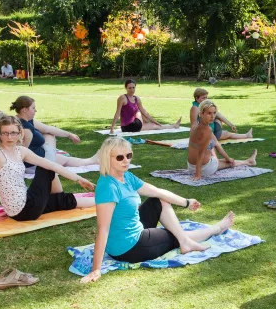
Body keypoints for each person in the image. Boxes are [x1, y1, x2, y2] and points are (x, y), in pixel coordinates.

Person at [79, 136, 236, 283]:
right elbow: (103, 229)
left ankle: (184, 241)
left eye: (129, 155)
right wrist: (96, 269)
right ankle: (215, 229)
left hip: (135, 230)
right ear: (108, 159)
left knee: (158, 201)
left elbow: (157, 192)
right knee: (173, 235)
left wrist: (186, 202)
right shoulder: (108, 187)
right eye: (120, 157)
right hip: (127, 248)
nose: (126, 160)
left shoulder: (126, 176)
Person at [0, 116, 95, 225]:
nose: (9, 137)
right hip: (24, 209)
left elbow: (54, 166)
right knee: (46, 167)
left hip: (25, 205)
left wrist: (79, 179)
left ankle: (105, 200)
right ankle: (61, 197)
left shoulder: (21, 151)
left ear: (20, 133)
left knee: (62, 201)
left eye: (13, 133)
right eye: (5, 133)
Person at [11, 96, 99, 168]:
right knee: (65, 159)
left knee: (49, 133)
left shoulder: (20, 120)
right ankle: (91, 161)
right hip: (35, 164)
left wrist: (69, 135)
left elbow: (48, 128)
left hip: (39, 157)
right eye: (33, 108)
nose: (35, 110)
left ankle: (90, 160)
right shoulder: (26, 129)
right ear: (24, 110)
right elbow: (22, 153)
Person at [188, 100, 257, 180]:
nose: (212, 116)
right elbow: (201, 153)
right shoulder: (207, 130)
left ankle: (246, 161)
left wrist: (227, 158)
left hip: (191, 167)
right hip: (203, 169)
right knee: (227, 162)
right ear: (201, 114)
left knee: (222, 156)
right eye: (209, 113)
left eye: (214, 113)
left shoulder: (195, 126)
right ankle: (248, 162)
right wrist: (198, 175)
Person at [110, 79, 181, 134]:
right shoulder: (122, 98)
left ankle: (171, 126)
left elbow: (145, 113)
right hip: (129, 127)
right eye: (130, 88)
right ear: (126, 88)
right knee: (140, 111)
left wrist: (155, 121)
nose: (132, 90)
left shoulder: (136, 98)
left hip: (131, 126)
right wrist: (112, 128)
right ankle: (174, 126)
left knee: (153, 124)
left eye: (133, 88)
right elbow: (117, 113)